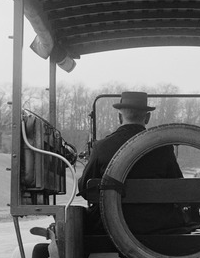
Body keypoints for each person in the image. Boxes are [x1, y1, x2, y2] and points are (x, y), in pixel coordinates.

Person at [78, 91, 185, 234]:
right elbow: (177, 187)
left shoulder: (101, 147)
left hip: (108, 227)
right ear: (147, 118)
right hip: (157, 226)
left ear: (119, 117)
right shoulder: (163, 148)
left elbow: (86, 189)